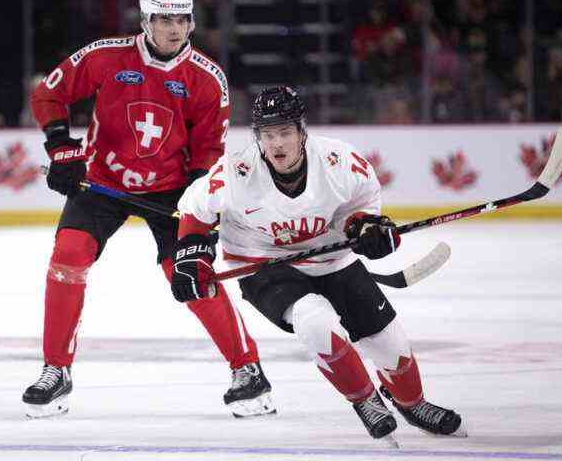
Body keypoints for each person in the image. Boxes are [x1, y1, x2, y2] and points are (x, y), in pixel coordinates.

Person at [22, 0, 275, 419]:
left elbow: (208, 154)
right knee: (69, 254)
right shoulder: (105, 55)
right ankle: (55, 370)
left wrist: (202, 217)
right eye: (164, 18)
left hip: (174, 191)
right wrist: (61, 148)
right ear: (146, 20)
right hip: (104, 182)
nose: (174, 28)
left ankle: (248, 370)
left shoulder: (207, 78)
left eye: (182, 18)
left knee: (189, 273)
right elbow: (49, 92)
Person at [173, 86, 467, 443]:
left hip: (332, 260)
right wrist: (192, 257)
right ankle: (365, 400)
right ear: (258, 137)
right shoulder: (236, 172)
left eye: (284, 132)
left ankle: (412, 402)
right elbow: (194, 210)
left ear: (301, 131)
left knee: (390, 346)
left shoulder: (339, 161)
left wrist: (366, 228)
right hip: (264, 267)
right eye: (268, 135)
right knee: (314, 321)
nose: (277, 144)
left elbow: (361, 205)